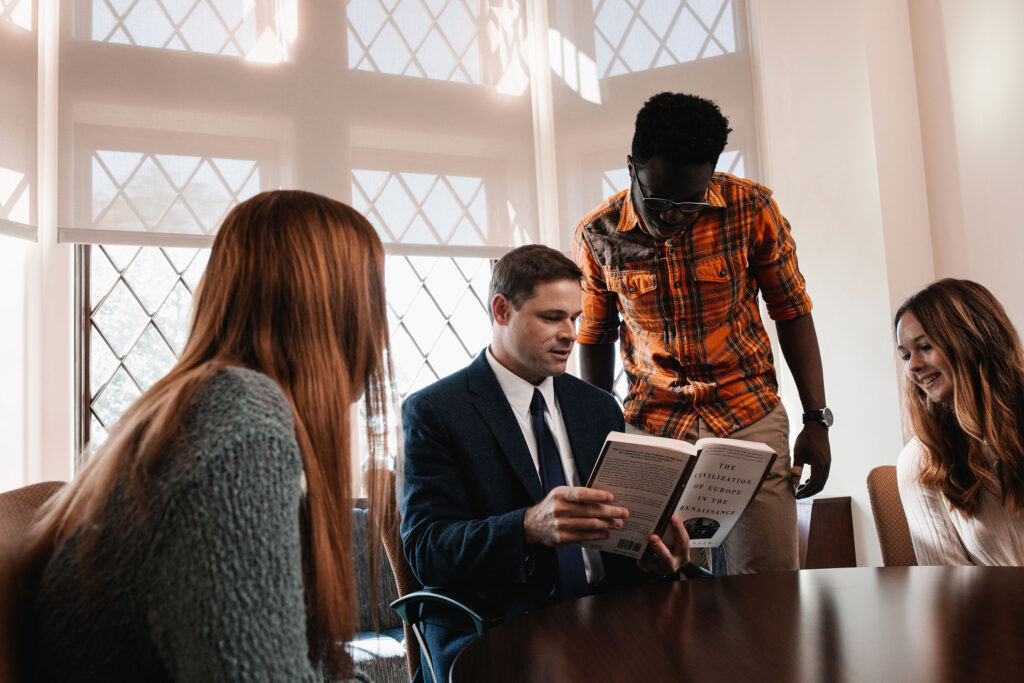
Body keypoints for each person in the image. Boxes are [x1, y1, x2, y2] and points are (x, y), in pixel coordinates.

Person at [24, 190, 395, 681]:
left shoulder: (208, 407)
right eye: (373, 298)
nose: (378, 328)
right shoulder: (242, 425)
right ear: (333, 311)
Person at [400, 245, 690, 682]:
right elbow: (427, 550)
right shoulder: (436, 411)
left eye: (575, 317)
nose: (571, 333)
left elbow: (612, 534)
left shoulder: (598, 406)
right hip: (503, 625)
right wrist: (527, 527)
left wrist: (650, 555)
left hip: (608, 614)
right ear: (502, 310)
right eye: (552, 317)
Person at [572, 91, 832, 575]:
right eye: (659, 199)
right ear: (632, 167)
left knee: (767, 589)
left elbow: (791, 310)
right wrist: (596, 436)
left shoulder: (750, 208)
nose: (673, 215)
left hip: (747, 414)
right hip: (652, 425)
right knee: (651, 583)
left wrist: (816, 418)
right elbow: (594, 335)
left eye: (689, 203)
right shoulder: (597, 235)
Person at [894, 278, 1024, 566]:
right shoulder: (920, 462)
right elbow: (949, 592)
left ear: (972, 340)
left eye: (925, 346)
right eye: (906, 355)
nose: (912, 366)